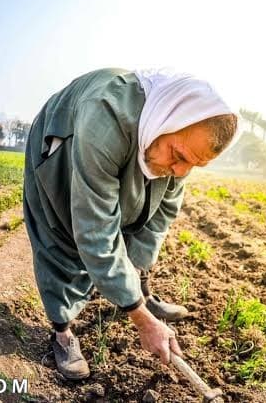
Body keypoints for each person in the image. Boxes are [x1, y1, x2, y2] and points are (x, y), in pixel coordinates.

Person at [22, 67, 238, 379]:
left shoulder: (177, 144)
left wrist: (134, 287)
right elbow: (96, 227)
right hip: (65, 146)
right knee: (63, 235)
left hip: (132, 140)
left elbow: (163, 212)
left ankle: (141, 293)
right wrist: (141, 320)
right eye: (178, 156)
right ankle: (62, 332)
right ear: (167, 119)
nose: (180, 171)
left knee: (144, 209)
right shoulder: (104, 120)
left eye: (194, 164)